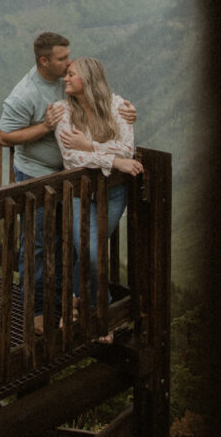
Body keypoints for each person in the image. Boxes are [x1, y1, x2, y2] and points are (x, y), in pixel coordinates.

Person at [0, 32, 136, 334]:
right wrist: (47, 127)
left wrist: (101, 141)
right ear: (44, 61)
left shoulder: (102, 99)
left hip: (75, 180)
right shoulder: (28, 95)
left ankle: (70, 304)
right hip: (36, 174)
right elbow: (4, 137)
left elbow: (124, 145)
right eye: (63, 60)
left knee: (72, 245)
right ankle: (36, 310)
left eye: (69, 59)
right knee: (38, 243)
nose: (68, 64)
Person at [55, 56, 144, 339]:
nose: (65, 79)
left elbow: (126, 149)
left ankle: (77, 298)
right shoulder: (62, 111)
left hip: (113, 194)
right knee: (93, 253)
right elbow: (72, 157)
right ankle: (103, 312)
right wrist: (114, 162)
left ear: (89, 80)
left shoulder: (119, 107)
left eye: (71, 74)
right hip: (80, 192)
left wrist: (91, 145)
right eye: (66, 74)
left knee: (91, 252)